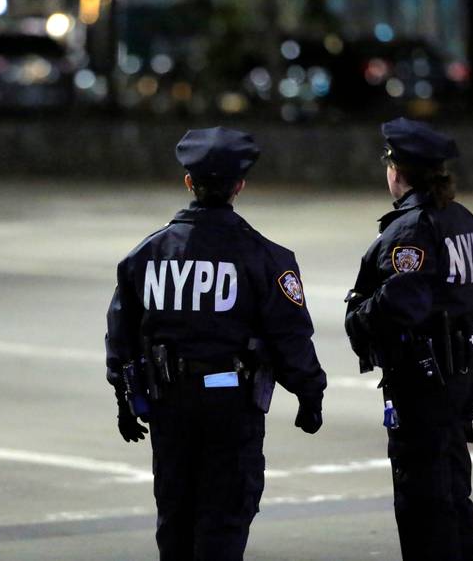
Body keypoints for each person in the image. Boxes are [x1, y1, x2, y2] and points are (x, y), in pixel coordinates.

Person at [105, 126, 327, 561]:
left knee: (176, 518)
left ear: (189, 182)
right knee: (223, 520)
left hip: (169, 403)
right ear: (240, 186)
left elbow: (122, 332)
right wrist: (309, 392)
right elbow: (289, 335)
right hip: (231, 407)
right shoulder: (265, 256)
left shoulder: (146, 256)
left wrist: (124, 396)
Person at [344, 118, 473, 561]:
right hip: (461, 370)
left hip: (424, 376)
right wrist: (457, 319)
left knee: (422, 499)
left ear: (397, 170)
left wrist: (358, 318)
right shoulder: (466, 222)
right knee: (453, 489)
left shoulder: (411, 229)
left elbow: (400, 302)